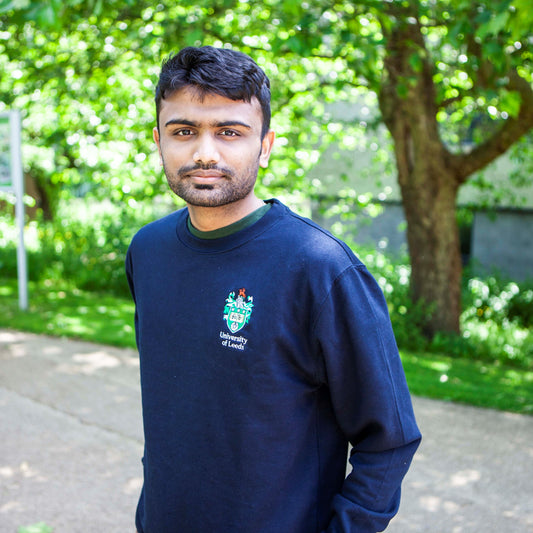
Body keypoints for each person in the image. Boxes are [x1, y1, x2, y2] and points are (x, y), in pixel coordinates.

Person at [126, 45, 421, 533]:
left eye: (230, 132)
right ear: (158, 140)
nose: (205, 152)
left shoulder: (321, 267)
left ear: (264, 145)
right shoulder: (149, 250)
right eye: (184, 131)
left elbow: (388, 440)